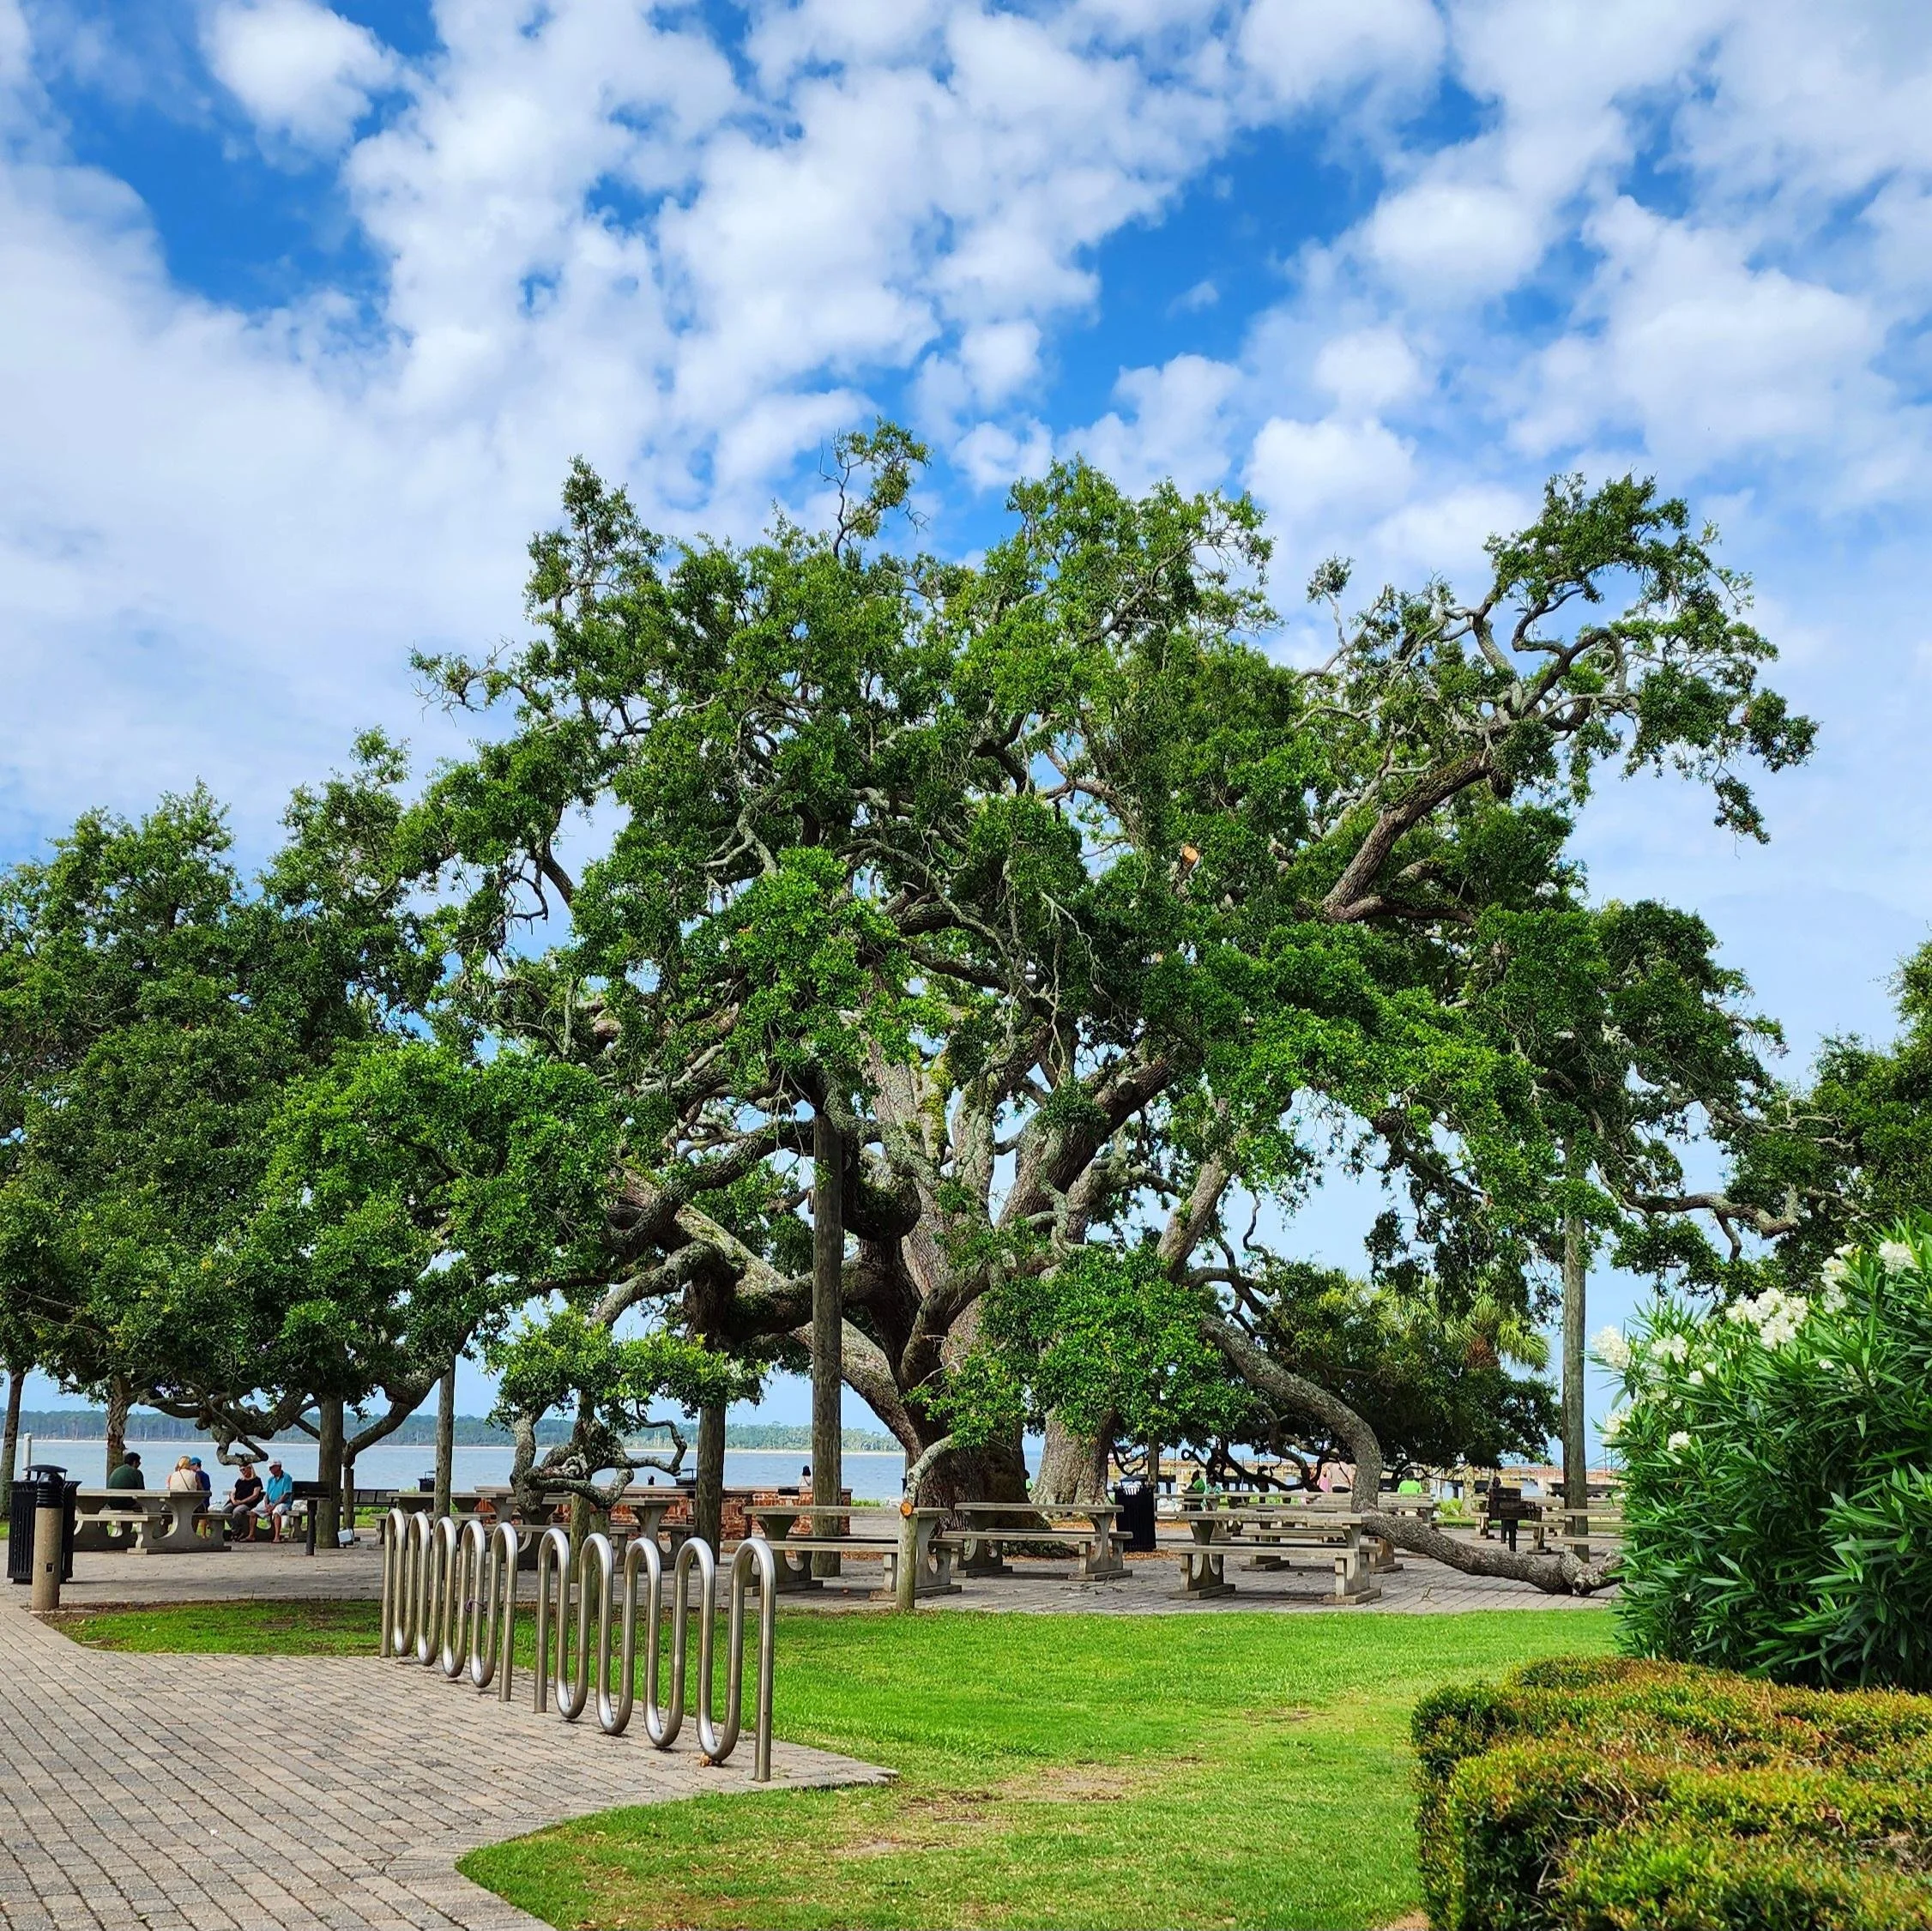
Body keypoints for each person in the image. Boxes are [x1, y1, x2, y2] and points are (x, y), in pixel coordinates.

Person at [226, 1461, 265, 1538]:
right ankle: (236, 1530)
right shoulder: (240, 1480)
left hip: (248, 1503)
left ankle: (236, 1532)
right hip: (236, 1501)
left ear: (249, 1468)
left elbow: (255, 1495)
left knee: (236, 1512)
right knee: (224, 1511)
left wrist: (242, 1502)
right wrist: (233, 1500)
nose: (242, 1472)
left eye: (244, 1469)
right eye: (241, 1470)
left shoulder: (257, 1480)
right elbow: (232, 1492)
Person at [263, 1460, 294, 1539]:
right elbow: (267, 1494)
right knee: (253, 1512)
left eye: (272, 1467)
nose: (270, 1469)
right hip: (271, 1502)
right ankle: (251, 1535)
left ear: (278, 1467)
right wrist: (266, 1504)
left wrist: (274, 1505)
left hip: (284, 1503)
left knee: (276, 1512)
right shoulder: (271, 1479)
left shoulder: (286, 1478)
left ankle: (277, 1536)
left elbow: (286, 1494)